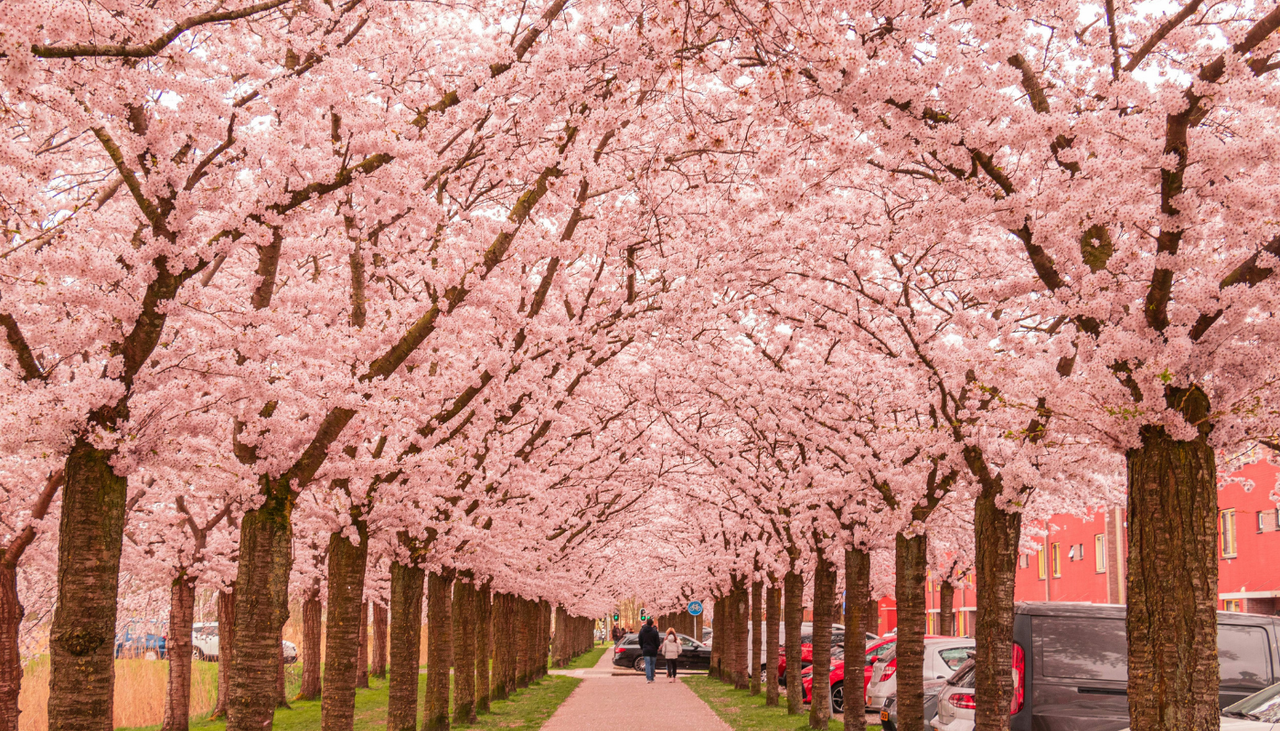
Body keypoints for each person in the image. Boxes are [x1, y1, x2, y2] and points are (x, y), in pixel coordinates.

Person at [637, 618, 661, 683]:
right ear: (652, 624)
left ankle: (648, 678)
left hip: (646, 649)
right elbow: (657, 642)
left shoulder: (642, 631)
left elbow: (640, 641)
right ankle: (652, 678)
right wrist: (656, 647)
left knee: (647, 664)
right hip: (653, 650)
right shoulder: (654, 632)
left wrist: (642, 647)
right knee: (652, 664)